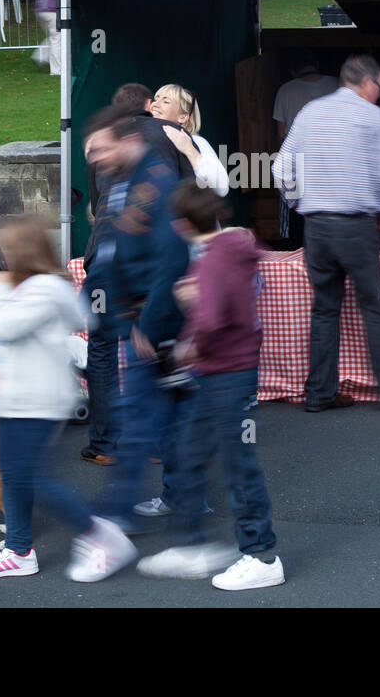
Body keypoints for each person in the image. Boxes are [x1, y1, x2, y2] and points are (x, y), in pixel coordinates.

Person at [0, 215, 137, 582]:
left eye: (8, 249)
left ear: (23, 251)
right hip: (16, 400)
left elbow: (4, 327)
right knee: (14, 476)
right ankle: (18, 550)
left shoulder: (43, 288)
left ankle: (98, 535)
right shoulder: (35, 286)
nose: (3, 256)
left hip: (34, 401)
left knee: (32, 478)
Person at [135, 181, 284, 589]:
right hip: (225, 371)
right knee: (190, 452)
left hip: (224, 372)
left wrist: (189, 341)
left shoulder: (215, 260)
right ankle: (192, 547)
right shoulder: (228, 249)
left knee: (238, 467)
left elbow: (214, 319)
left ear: (182, 223)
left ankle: (261, 556)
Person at [273, 54, 380, 411]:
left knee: (324, 310)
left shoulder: (310, 112)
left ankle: (318, 394)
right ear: (368, 83)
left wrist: (303, 205)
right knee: (372, 306)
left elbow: (281, 167)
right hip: (356, 226)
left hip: (317, 227)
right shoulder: (374, 117)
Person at [87, 104, 192, 530]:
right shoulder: (122, 180)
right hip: (138, 317)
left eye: (101, 150)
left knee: (145, 413)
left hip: (157, 321)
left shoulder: (156, 184)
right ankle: (180, 499)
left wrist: (146, 324)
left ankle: (126, 510)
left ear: (128, 142)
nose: (96, 160)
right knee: (159, 413)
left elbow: (171, 260)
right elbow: (117, 249)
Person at [272, 61, 338, 247]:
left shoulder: (285, 90)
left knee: (297, 226)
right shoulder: (337, 84)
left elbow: (281, 134)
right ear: (316, 64)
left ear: (293, 72)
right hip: (334, 163)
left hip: (298, 164)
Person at [151, 83, 230, 196]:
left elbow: (221, 189)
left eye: (166, 101)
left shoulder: (196, 141)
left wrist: (190, 150)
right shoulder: (143, 138)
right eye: (156, 99)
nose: (155, 104)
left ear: (182, 117)